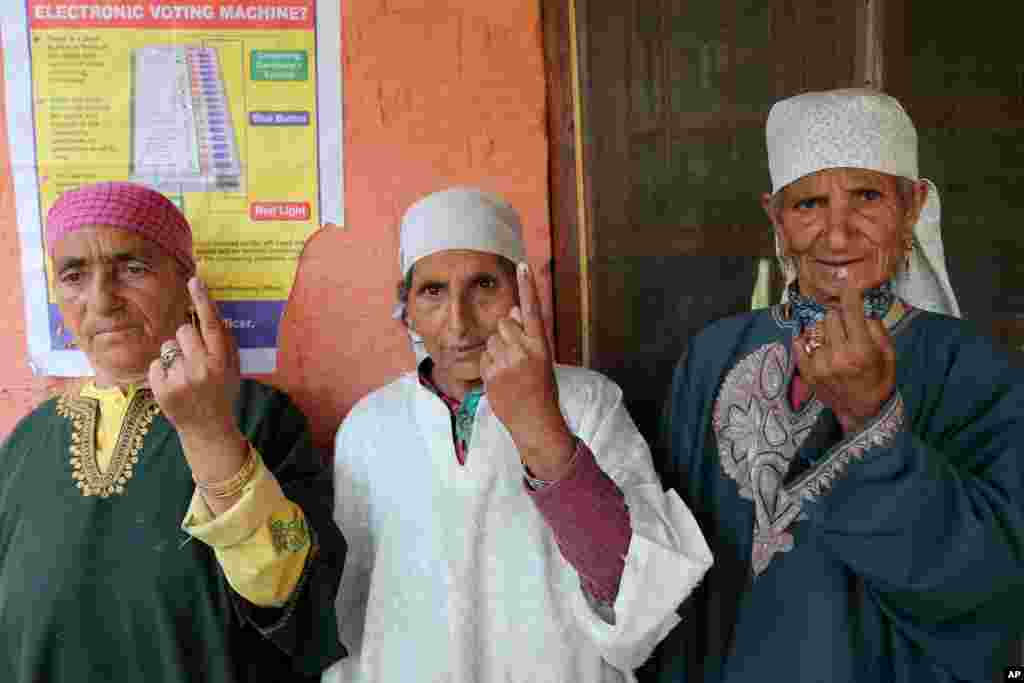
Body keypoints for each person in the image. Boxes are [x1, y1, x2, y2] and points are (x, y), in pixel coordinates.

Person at [641, 89, 1024, 682]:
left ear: (914, 204)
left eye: (868, 196)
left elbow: (993, 587)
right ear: (776, 216)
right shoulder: (713, 357)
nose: (837, 235)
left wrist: (873, 420)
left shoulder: (973, 368)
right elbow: (680, 581)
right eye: (809, 204)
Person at [324, 187, 712, 682]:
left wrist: (540, 424)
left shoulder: (585, 402)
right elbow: (352, 611)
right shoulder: (369, 426)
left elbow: (637, 599)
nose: (459, 320)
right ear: (407, 308)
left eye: (484, 285)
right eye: (433, 291)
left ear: (523, 291)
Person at [0, 181, 347, 683]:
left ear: (187, 284)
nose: (101, 301)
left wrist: (210, 434)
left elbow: (295, 593)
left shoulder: (258, 416)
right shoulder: (29, 440)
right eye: (74, 275)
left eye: (132, 268)